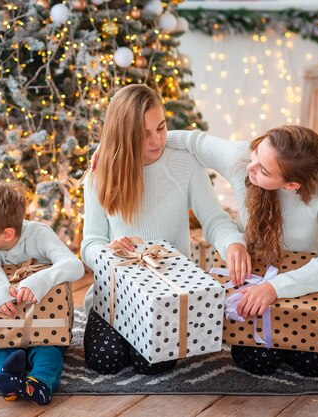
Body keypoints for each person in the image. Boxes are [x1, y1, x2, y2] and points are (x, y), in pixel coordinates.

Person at [82, 83, 250, 375]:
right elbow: (89, 244)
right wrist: (108, 252)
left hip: (170, 294)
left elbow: (214, 219)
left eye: (160, 128)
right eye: (143, 134)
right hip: (118, 294)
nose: (156, 140)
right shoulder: (100, 176)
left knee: (153, 363)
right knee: (104, 361)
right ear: (125, 135)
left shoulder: (184, 163)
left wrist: (233, 243)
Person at [166, 125, 318, 376]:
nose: (249, 167)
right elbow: (189, 140)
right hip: (254, 283)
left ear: (291, 185)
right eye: (257, 151)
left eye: (263, 170)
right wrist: (113, 146)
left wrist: (275, 288)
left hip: (305, 285)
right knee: (256, 361)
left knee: (314, 365)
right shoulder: (242, 156)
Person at [0, 181, 85, 405]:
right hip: (6, 331)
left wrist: (39, 280)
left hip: (49, 327)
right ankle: (8, 380)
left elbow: (73, 266)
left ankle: (40, 384)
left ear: (7, 234)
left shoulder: (39, 235)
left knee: (49, 353)